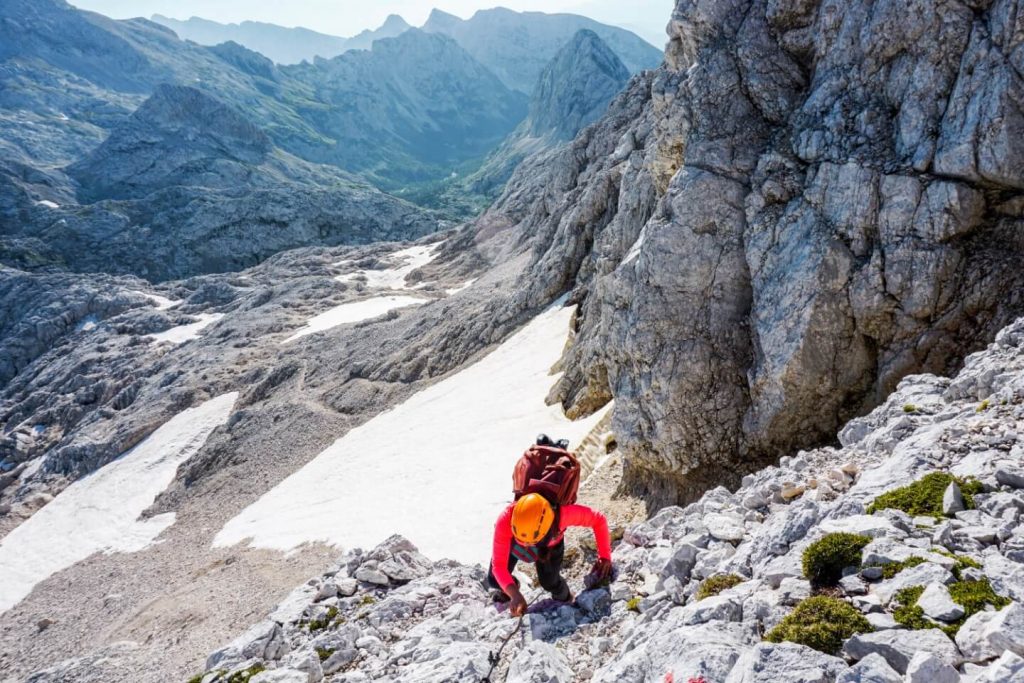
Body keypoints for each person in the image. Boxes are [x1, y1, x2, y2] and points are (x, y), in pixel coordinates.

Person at [487, 492, 613, 617]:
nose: (526, 546)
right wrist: (514, 593)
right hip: (515, 543)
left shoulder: (563, 515)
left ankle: (566, 599)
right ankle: (511, 585)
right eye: (522, 541)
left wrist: (605, 556)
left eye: (528, 542)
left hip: (550, 545)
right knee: (494, 579)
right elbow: (498, 566)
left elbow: (598, 519)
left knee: (550, 582)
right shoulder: (505, 519)